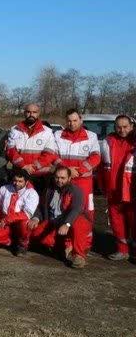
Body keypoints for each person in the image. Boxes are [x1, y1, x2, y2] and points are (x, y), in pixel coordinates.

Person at [54, 109, 100, 252]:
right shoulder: (58, 135)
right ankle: (68, 243)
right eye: (69, 121)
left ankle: (85, 243)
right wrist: (68, 170)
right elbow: (53, 156)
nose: (72, 123)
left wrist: (79, 171)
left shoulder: (91, 136)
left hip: (84, 181)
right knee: (65, 208)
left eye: (75, 120)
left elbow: (95, 157)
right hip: (65, 180)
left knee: (86, 211)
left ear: (80, 120)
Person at [30, 166, 93, 269]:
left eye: (63, 178)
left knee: (79, 223)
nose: (59, 180)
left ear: (69, 178)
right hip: (54, 222)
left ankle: (79, 255)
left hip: (71, 221)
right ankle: (63, 246)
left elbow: (76, 209)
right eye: (57, 177)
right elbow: (41, 207)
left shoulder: (76, 190)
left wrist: (67, 224)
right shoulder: (49, 190)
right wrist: (35, 218)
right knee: (36, 233)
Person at [100, 115, 135, 261]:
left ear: (131, 126)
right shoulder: (108, 141)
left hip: (132, 190)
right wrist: (103, 187)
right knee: (117, 221)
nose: (122, 130)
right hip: (114, 190)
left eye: (125, 127)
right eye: (119, 127)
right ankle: (122, 250)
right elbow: (102, 167)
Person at [5, 104, 58, 191]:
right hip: (19, 175)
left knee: (40, 202)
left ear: (38, 114)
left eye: (34, 112)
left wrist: (33, 167)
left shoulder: (47, 131)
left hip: (40, 176)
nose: (31, 114)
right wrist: (23, 166)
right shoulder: (15, 130)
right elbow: (10, 150)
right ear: (24, 113)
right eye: (28, 112)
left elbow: (49, 154)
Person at [0, 169, 39, 256]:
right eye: (15, 180)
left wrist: (9, 219)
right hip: (5, 219)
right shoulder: (4, 189)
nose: (17, 183)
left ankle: (23, 245)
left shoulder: (32, 193)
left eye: (20, 181)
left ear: (26, 182)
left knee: (25, 224)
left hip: (19, 221)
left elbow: (27, 214)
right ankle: (10, 241)